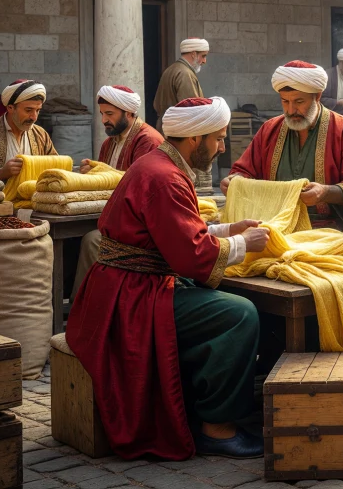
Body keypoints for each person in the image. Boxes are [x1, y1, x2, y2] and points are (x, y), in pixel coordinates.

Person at [67, 97, 270, 460]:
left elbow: (171, 229)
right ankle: (217, 429)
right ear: (195, 139)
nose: (222, 147)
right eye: (219, 139)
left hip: (125, 285)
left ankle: (196, 402)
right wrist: (244, 243)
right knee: (239, 314)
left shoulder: (158, 164)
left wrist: (226, 228)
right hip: (131, 297)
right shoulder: (165, 177)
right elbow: (192, 256)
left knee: (215, 303)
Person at [223, 61, 343, 228]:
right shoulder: (270, 129)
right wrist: (235, 181)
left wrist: (325, 193)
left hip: (328, 228)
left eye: (298, 102)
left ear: (317, 96)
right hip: (274, 224)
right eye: (285, 102)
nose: (291, 110)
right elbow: (245, 170)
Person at [72, 84, 166, 295]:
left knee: (90, 240)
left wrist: (101, 172)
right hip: (113, 215)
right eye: (102, 114)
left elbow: (139, 187)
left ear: (129, 112)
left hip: (138, 225)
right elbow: (107, 181)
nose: (104, 120)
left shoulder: (148, 140)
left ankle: (85, 303)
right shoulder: (109, 143)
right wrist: (92, 173)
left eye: (110, 114)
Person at [153, 38, 208, 130]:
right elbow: (192, 110)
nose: (204, 61)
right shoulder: (185, 74)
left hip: (167, 129)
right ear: (194, 54)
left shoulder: (170, 69)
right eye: (203, 56)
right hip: (178, 133)